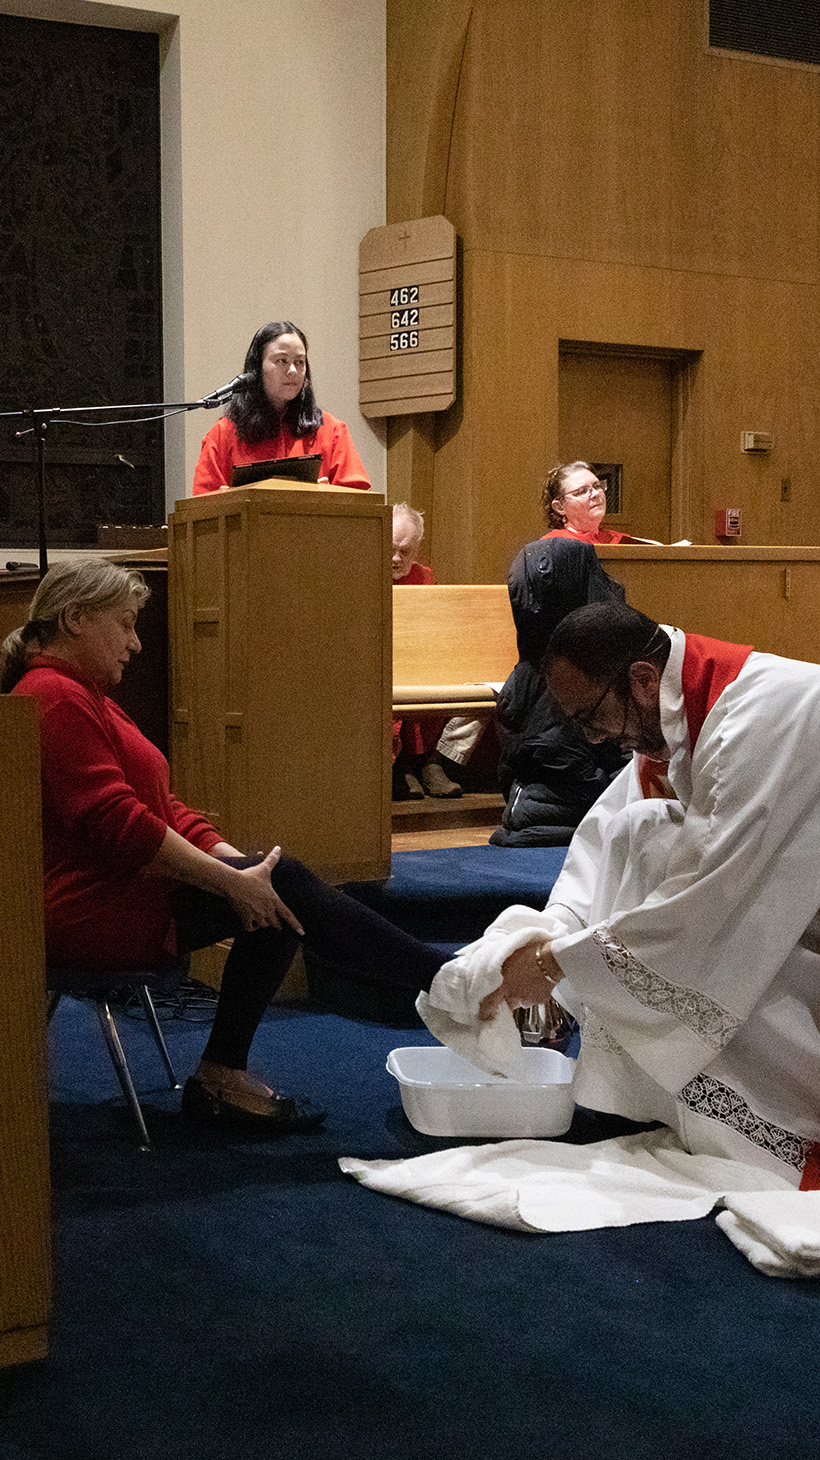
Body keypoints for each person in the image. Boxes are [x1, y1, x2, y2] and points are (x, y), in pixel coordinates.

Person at [2, 559, 447, 1133]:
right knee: (278, 889)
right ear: (76, 618)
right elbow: (120, 824)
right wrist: (234, 881)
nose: (136, 644)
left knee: (272, 887)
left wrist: (235, 866)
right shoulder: (55, 697)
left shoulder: (83, 694)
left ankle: (227, 1072)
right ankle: (448, 980)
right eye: (126, 624)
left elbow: (161, 806)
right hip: (89, 910)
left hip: (119, 891)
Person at [478, 601, 820, 1185]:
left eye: (590, 717)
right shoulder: (678, 711)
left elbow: (707, 901)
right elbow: (603, 841)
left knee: (710, 943)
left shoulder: (764, 715)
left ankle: (780, 1130)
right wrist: (546, 932)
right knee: (642, 831)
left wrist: (555, 964)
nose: (593, 737)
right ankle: (668, 1096)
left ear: (641, 678)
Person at [491, 537, 626, 846]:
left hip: (534, 799)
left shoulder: (536, 660)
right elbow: (560, 757)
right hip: (553, 803)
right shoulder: (569, 676)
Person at [192, 321, 370, 494]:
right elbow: (202, 505)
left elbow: (361, 501)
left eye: (299, 362)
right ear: (257, 368)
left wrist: (329, 495)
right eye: (282, 360)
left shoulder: (332, 431)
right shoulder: (223, 435)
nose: (293, 370)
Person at [390, 502, 478, 799]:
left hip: (422, 656)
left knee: (468, 684)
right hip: (386, 658)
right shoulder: (366, 572)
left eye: (405, 551)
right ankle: (402, 766)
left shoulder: (424, 576)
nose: (396, 558)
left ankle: (431, 761)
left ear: (417, 549)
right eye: (391, 549)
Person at [541, 461, 653, 545]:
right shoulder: (551, 547)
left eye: (597, 486)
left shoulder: (623, 542)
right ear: (560, 507)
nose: (595, 493)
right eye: (582, 491)